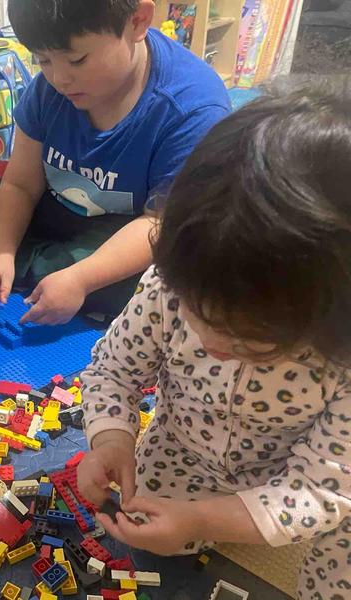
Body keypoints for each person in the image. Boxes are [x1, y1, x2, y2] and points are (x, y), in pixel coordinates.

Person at [76, 80, 351, 598]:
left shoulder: (342, 355)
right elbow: (113, 369)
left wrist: (205, 521)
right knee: (152, 534)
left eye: (251, 339)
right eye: (198, 311)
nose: (210, 340)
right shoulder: (172, 285)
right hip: (184, 454)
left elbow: (320, 488)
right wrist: (111, 438)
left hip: (293, 479)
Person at [0, 0, 230, 323]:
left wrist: (81, 278)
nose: (59, 78)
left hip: (126, 226)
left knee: (148, 286)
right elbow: (20, 184)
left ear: (137, 22)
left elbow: (159, 225)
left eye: (77, 60)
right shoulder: (49, 89)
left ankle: (3, 263)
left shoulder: (190, 108)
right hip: (51, 201)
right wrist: (0, 253)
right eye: (43, 60)